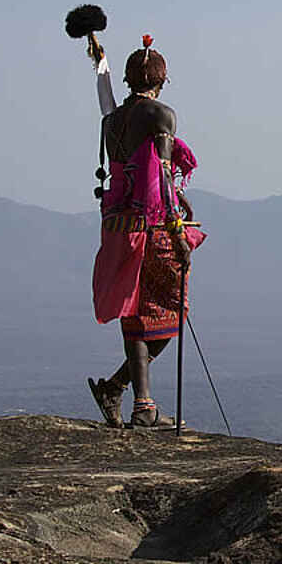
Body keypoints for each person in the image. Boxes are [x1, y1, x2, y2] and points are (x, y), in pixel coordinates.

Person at [85, 36, 203, 428]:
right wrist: (177, 231)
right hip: (152, 226)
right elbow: (164, 175)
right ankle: (131, 397)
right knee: (172, 311)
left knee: (135, 311)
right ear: (163, 81)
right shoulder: (161, 116)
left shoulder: (112, 120)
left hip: (116, 224)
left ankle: (137, 401)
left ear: (127, 79)